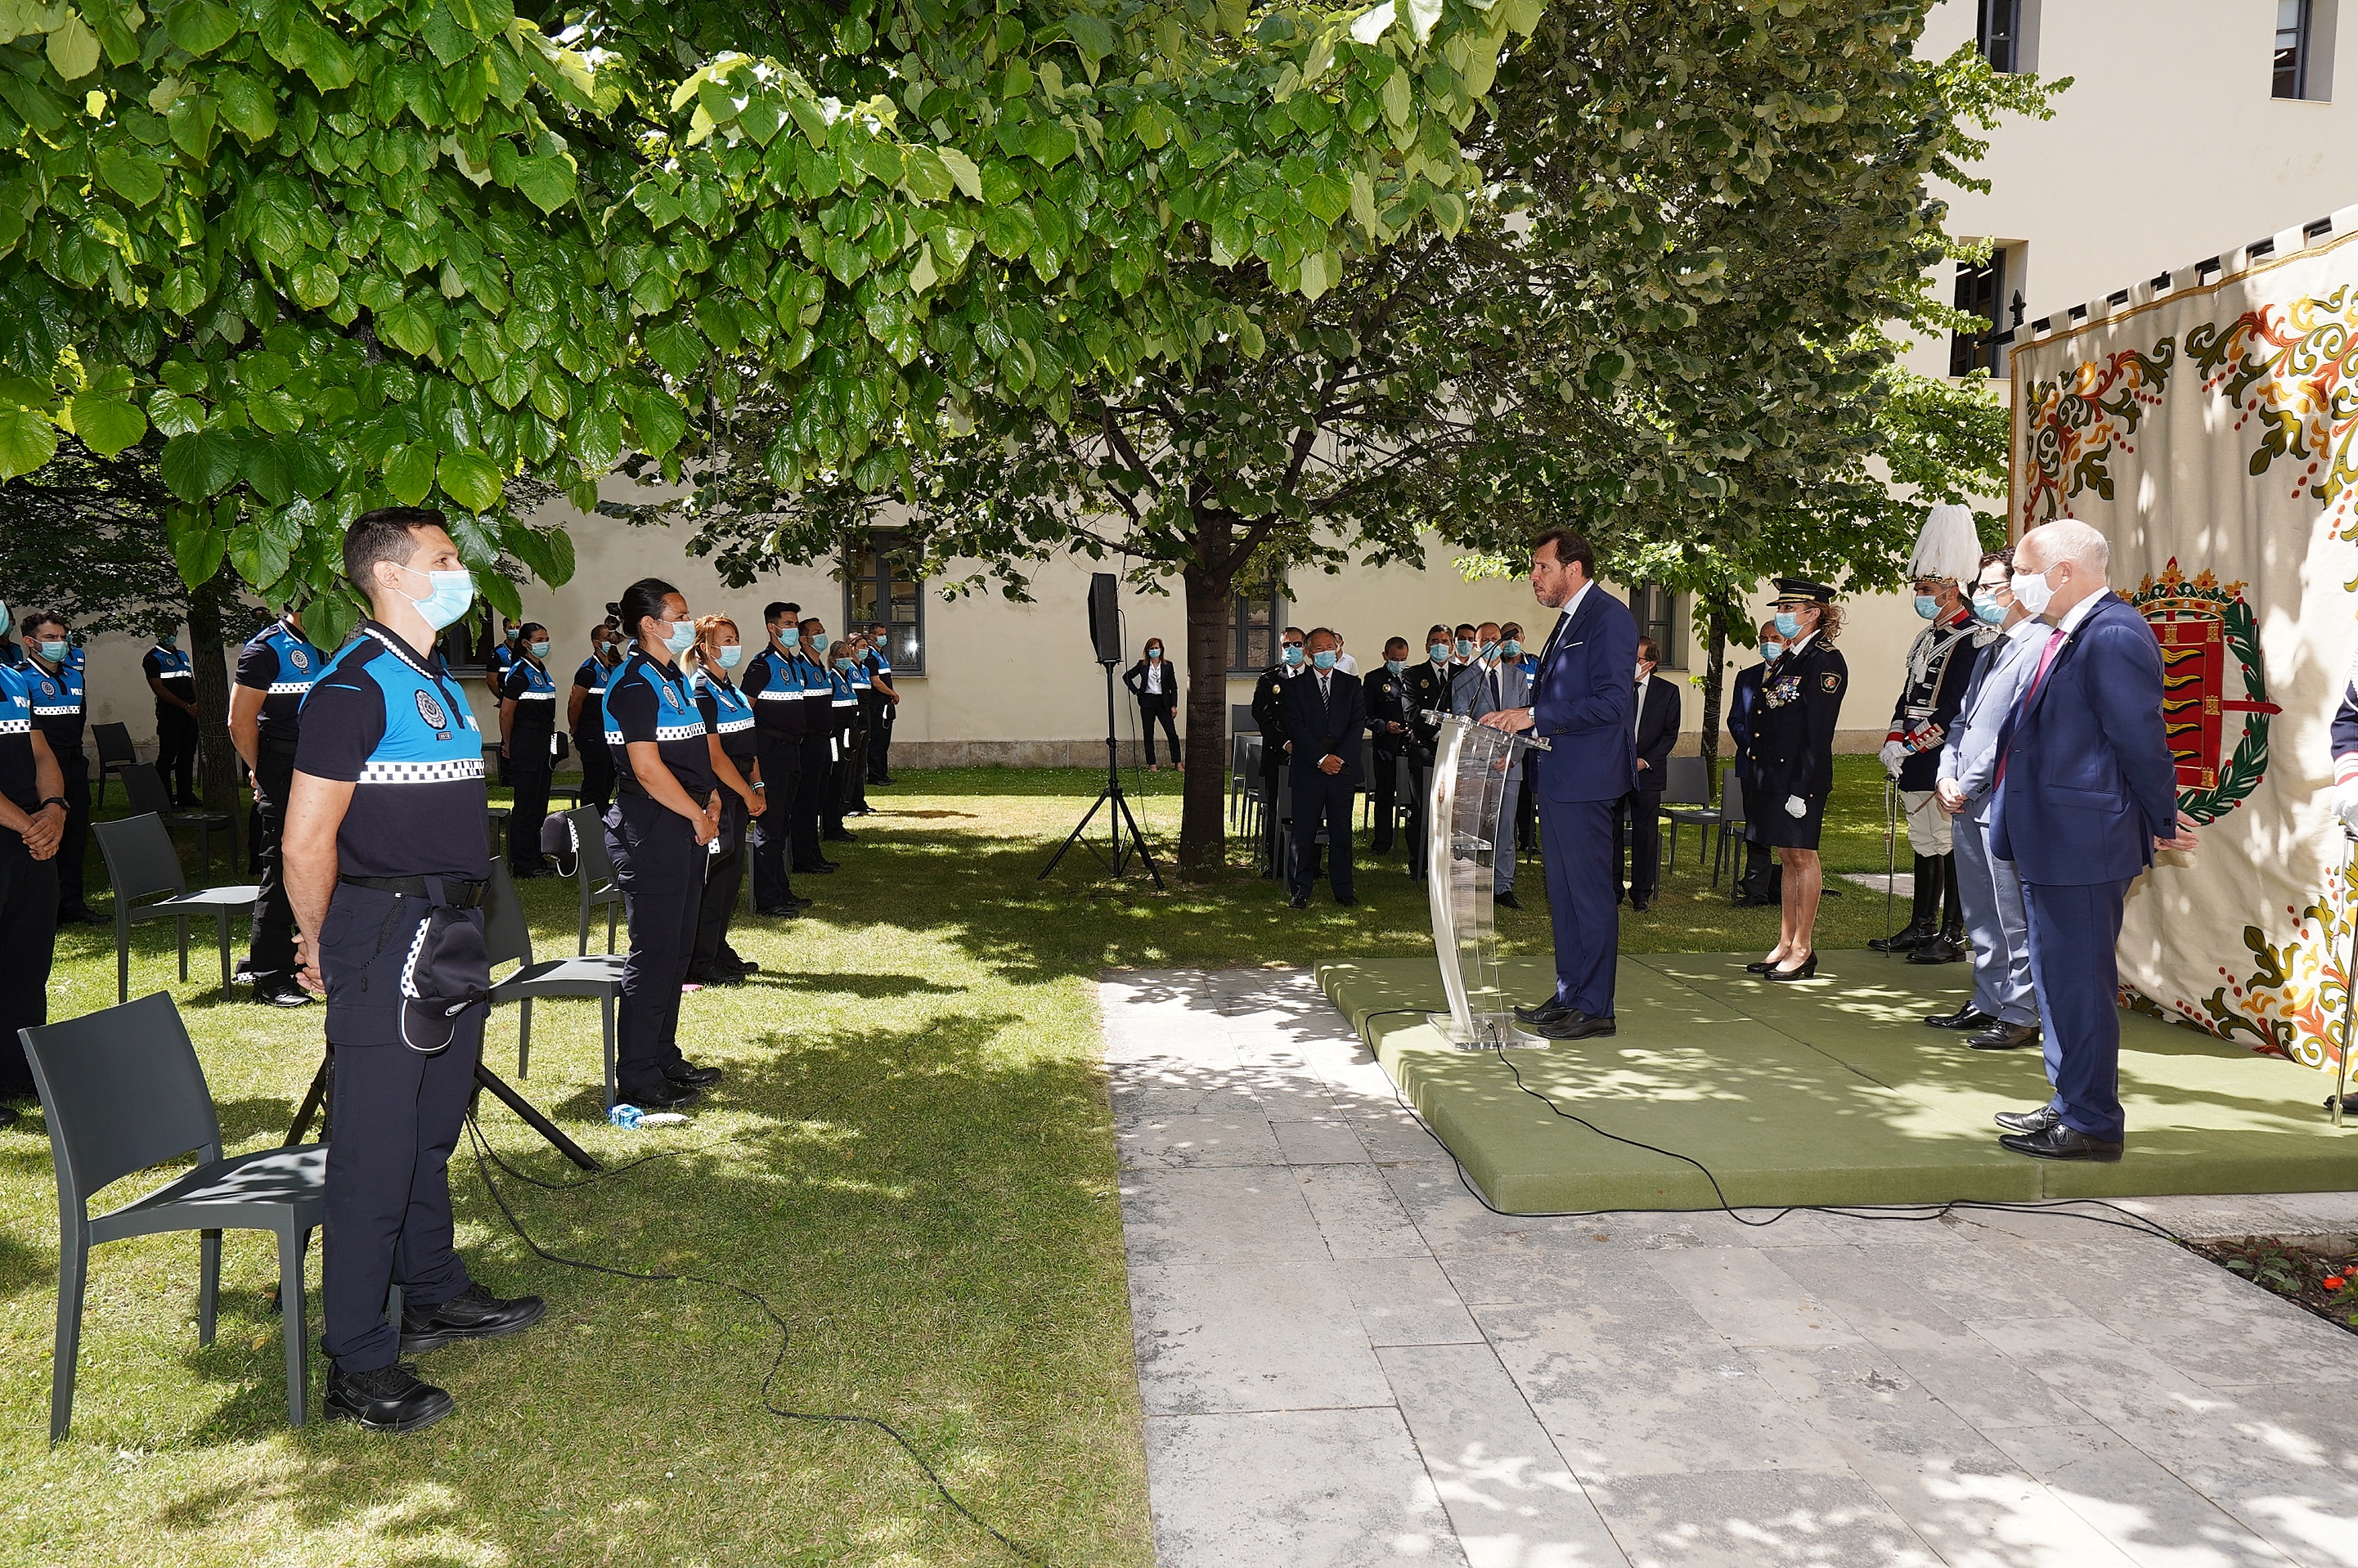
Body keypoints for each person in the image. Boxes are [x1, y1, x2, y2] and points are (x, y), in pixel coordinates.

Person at [284, 506, 545, 1433]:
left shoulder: (431, 677)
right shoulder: (353, 684)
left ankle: (431, 1290)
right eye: (442, 558)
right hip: (388, 931)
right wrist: (321, 942)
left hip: (451, 927)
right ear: (391, 575)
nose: (458, 571)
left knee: (433, 1127)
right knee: (375, 1153)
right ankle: (359, 1359)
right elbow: (306, 839)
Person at [1988, 519, 2194, 1161]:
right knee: (2058, 981)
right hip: (2054, 836)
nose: (2016, 582)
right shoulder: (2072, 631)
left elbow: (2140, 738)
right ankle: (2069, 1100)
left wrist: (2162, 817)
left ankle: (2093, 1121)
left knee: (2079, 983)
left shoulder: (2111, 633)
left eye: (2024, 570)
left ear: (2063, 572)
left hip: (2082, 840)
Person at [1489, 529, 1635, 1040]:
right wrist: (1519, 724)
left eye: (1542, 567)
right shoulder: (1569, 619)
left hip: (1587, 780)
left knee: (1589, 895)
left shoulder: (1608, 617)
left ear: (1573, 569)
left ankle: (1596, 1008)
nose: (1533, 576)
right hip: (1558, 777)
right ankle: (1571, 994)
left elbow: (1612, 702)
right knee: (1565, 895)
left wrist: (1533, 716)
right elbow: (1560, 698)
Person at [600, 577, 728, 1110]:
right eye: (678, 615)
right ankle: (636, 1074)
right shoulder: (633, 683)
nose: (687, 623)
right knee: (653, 955)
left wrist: (712, 799)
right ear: (649, 624)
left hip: (686, 826)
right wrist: (698, 814)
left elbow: (695, 752)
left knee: (676, 952)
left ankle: (663, 1056)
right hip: (651, 833)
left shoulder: (672, 676)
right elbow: (647, 769)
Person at [1929, 549, 2046, 1050]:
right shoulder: (1987, 649)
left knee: (2011, 913)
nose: (1977, 596)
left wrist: (1968, 781)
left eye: (1987, 588)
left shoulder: (2041, 646)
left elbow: (2016, 730)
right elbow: (1961, 722)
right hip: (1966, 800)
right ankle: (1989, 998)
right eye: (1978, 587)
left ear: (2017, 590)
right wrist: (1945, 774)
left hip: (2002, 801)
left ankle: (2021, 1012)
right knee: (1980, 911)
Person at [1870, 505, 1987, 964]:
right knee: (1923, 839)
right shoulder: (1926, 637)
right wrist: (1893, 739)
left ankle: (1954, 934)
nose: (1919, 596)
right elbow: (1908, 694)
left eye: (1926, 590)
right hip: (1913, 752)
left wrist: (1914, 744)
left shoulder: (1973, 637)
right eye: (1918, 588)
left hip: (1943, 753)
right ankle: (1922, 926)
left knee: (1948, 842)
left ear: (1952, 590)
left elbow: (1956, 707)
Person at [1745, 579, 1848, 981]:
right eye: (1781, 608)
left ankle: (1803, 947)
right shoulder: (1790, 658)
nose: (1782, 615)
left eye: (1790, 609)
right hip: (1774, 774)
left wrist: (1801, 788)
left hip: (1798, 779)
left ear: (1814, 614)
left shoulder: (1824, 661)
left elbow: (1817, 731)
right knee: (1787, 857)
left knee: (1803, 857)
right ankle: (1785, 941)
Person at [229, 604, 326, 1004]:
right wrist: (261, 770)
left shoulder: (331, 641)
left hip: (329, 766)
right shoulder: (265, 649)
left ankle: (315, 960)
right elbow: (239, 721)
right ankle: (271, 975)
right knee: (282, 867)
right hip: (284, 765)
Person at [0, 648, 68, 1127]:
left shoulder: (12, 677)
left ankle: (18, 1071)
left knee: (26, 960)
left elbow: (41, 752)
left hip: (29, 841)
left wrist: (55, 808)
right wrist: (32, 827)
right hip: (23, 831)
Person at [686, 614, 764, 986]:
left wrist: (758, 785)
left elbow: (749, 741)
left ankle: (717, 947)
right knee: (715, 878)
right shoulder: (702, 691)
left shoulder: (729, 688)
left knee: (731, 876)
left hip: (741, 789)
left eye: (735, 638)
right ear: (705, 647)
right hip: (720, 793)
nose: (734, 646)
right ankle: (700, 959)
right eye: (726, 640)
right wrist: (746, 793)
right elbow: (715, 756)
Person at [18, 613, 97, 925]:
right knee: (43, 834)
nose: (59, 643)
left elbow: (79, 719)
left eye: (63, 637)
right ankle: (44, 908)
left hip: (74, 765)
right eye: (51, 638)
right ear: (30, 642)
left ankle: (73, 903)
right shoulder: (20, 678)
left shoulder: (74, 676)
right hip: (40, 769)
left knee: (75, 834)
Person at [1280, 629, 1364, 907]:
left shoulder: (1352, 685)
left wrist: (1338, 758)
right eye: (1319, 648)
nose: (1326, 652)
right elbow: (1296, 727)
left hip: (1342, 770)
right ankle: (1300, 890)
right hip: (1308, 770)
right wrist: (1320, 759)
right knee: (1304, 834)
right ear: (1308, 652)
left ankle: (1343, 889)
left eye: (1331, 646)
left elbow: (1357, 725)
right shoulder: (1294, 687)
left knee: (1342, 833)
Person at [741, 602, 815, 914]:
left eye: (796, 623)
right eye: (788, 624)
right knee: (770, 827)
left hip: (792, 751)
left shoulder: (794, 664)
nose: (794, 629)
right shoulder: (762, 665)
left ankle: (781, 891)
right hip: (770, 751)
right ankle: (768, 899)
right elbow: (745, 709)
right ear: (773, 628)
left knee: (782, 825)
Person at [1452, 622, 1533, 910]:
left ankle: (1503, 885)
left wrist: (1511, 757)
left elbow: (1525, 722)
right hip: (1476, 766)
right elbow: (1463, 723)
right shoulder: (1463, 680)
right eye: (1484, 639)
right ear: (1476, 644)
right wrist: (1485, 756)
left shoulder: (1518, 677)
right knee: (1474, 828)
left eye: (1495, 638)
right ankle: (1471, 882)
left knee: (1505, 828)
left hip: (1509, 766)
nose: (1491, 643)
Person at [1615, 636, 1682, 912]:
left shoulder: (1668, 692)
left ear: (1651, 663)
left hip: (1648, 774)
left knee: (1645, 834)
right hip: (1614, 771)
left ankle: (1641, 892)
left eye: (1636, 659)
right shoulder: (1615, 687)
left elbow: (1670, 734)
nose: (1630, 664)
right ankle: (1613, 889)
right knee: (1612, 831)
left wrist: (1646, 761)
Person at [498, 622, 561, 878]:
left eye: (546, 638)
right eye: (539, 640)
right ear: (525, 644)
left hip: (543, 740)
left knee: (539, 802)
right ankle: (523, 863)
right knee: (526, 804)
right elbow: (506, 713)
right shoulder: (520, 672)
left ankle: (536, 855)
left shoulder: (541, 670)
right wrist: (508, 743)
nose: (544, 643)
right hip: (526, 740)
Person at [1727, 621, 1782, 908]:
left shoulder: (1796, 676)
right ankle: (1756, 891)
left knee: (1784, 830)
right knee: (1755, 829)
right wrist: (1750, 746)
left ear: (1787, 641)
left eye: (1775, 637)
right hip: (1751, 766)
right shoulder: (1747, 677)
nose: (1768, 642)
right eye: (1764, 638)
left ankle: (1785, 887)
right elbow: (1735, 718)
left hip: (1782, 767)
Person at [1251, 627, 1308, 876]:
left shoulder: (1316, 677)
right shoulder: (1269, 679)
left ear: (1305, 647)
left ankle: (1310, 864)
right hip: (1278, 755)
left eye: (1297, 644)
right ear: (1281, 647)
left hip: (1311, 756)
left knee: (1311, 810)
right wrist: (1286, 743)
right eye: (1287, 645)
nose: (1292, 649)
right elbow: (1263, 717)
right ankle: (1277, 863)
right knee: (1277, 811)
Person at [1401, 624, 1453, 878]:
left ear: (1452, 646)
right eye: (1434, 641)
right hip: (1424, 749)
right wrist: (1437, 734)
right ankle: (1419, 863)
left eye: (1444, 641)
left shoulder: (1463, 674)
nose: (1439, 645)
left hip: (1454, 750)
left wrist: (1452, 736)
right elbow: (1411, 711)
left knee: (1451, 810)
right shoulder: (1413, 675)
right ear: (1426, 646)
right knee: (1421, 809)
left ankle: (1447, 863)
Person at [791, 615, 840, 876]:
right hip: (808, 741)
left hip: (824, 739)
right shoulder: (799, 667)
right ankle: (803, 858)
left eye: (823, 631)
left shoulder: (819, 667)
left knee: (818, 798)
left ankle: (814, 852)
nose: (822, 636)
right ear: (804, 639)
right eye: (816, 632)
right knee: (806, 801)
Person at [569, 618, 624, 817]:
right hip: (592, 733)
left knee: (608, 781)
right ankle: (588, 827)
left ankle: (603, 821)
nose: (612, 642)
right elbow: (575, 703)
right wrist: (576, 729)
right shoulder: (589, 670)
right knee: (594, 783)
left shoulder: (615, 668)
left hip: (611, 734)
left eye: (614, 638)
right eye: (607, 638)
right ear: (596, 643)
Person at [1364, 636, 1413, 856]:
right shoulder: (1374, 679)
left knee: (1413, 795)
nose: (1400, 663)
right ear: (1385, 656)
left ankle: (1414, 840)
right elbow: (1366, 715)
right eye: (1395, 659)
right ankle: (1382, 843)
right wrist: (1385, 726)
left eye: (1403, 659)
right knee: (1384, 794)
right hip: (1386, 746)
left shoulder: (1413, 676)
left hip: (1411, 745)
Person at [144, 616, 200, 808]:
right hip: (170, 713)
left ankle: (185, 795)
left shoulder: (182, 655)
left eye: (171, 631)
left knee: (187, 755)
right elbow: (158, 688)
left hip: (190, 712)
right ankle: (165, 799)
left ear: (176, 632)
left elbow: (191, 680)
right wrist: (184, 706)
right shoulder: (153, 658)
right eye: (164, 631)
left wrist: (197, 703)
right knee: (167, 757)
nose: (168, 635)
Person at [1123, 636, 1183, 771]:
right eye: (1151, 648)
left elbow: (1173, 687)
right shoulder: (1143, 665)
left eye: (1156, 648)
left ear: (1161, 649)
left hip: (1163, 702)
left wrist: (1174, 705)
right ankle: (1152, 764)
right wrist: (1136, 691)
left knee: (1171, 733)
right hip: (1147, 701)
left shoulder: (1168, 665)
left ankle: (1178, 762)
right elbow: (1127, 676)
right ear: (1147, 650)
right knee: (1148, 733)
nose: (1154, 650)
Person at [824, 635, 862, 835]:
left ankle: (838, 819)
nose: (846, 659)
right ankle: (832, 825)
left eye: (848, 655)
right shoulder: (832, 679)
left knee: (845, 777)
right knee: (836, 779)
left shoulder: (847, 679)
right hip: (836, 737)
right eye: (841, 656)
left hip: (849, 735)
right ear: (832, 659)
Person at [862, 622, 901, 785]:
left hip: (885, 703)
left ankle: (882, 773)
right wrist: (893, 693)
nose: (884, 637)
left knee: (884, 739)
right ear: (872, 637)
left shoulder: (881, 655)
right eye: (880, 634)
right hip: (876, 704)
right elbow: (876, 682)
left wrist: (890, 694)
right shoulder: (871, 656)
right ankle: (875, 775)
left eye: (884, 634)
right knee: (877, 739)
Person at [486, 616, 522, 786]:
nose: (515, 630)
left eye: (518, 627)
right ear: (505, 630)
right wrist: (502, 698)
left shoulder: (525, 650)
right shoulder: (498, 653)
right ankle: (508, 776)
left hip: (524, 701)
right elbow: (491, 680)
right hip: (509, 699)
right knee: (508, 733)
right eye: (511, 627)